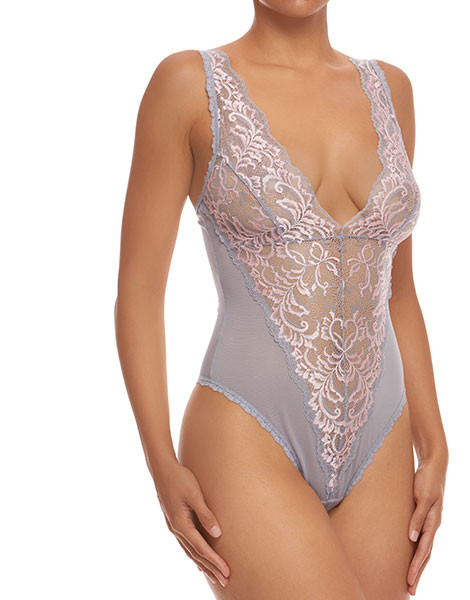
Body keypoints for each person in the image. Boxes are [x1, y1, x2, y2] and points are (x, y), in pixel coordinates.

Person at [115, 1, 448, 598]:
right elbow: (139, 291)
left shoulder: (391, 89)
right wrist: (160, 463)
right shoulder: (188, 85)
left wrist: (436, 444)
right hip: (247, 433)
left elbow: (399, 292)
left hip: (383, 440)